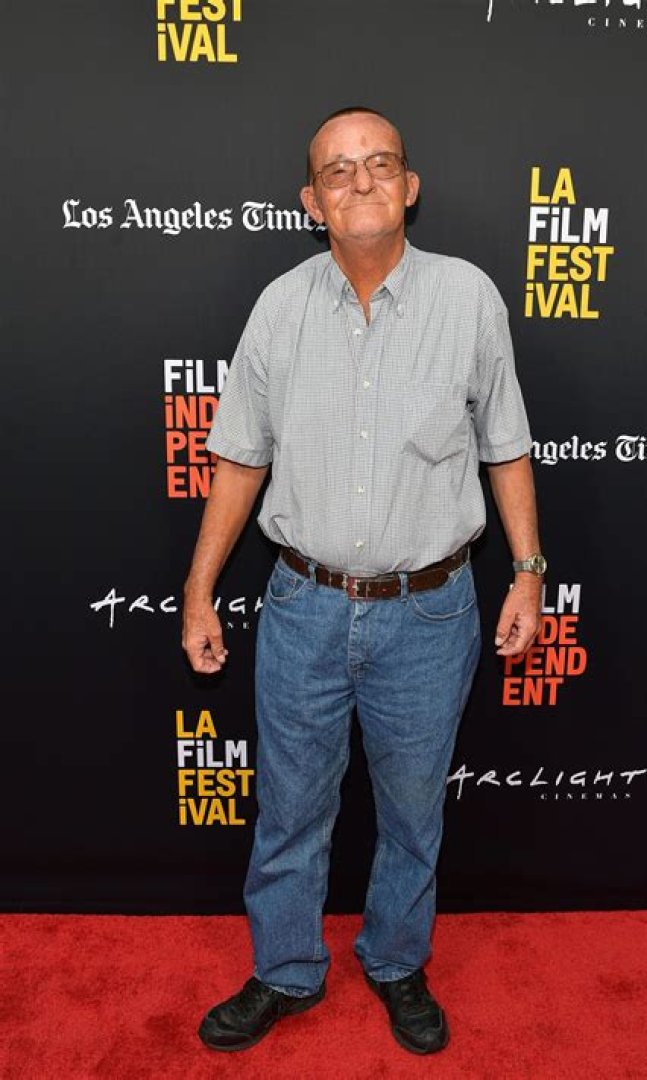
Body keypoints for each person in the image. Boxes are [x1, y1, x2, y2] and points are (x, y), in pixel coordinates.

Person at [182, 105, 545, 1056]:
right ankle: (284, 969)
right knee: (290, 810)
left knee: (414, 812)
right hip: (302, 606)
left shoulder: (469, 298)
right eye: (338, 171)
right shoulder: (279, 308)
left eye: (379, 162)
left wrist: (528, 572)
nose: (361, 180)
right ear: (312, 202)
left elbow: (506, 446)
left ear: (410, 186)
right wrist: (198, 590)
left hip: (431, 614)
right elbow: (239, 459)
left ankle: (396, 961)